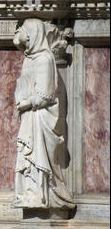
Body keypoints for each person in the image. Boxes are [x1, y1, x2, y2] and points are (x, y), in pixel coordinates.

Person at [13, 18, 74, 210]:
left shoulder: (44, 59)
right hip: (30, 116)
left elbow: (45, 95)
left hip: (40, 117)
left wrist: (25, 103)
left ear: (32, 33)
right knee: (28, 154)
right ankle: (31, 193)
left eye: (21, 29)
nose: (17, 32)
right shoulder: (29, 59)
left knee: (38, 155)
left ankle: (42, 195)